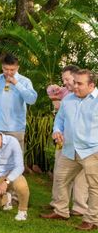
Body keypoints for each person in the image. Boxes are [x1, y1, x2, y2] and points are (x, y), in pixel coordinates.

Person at [42, 69, 98, 231]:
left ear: (91, 85)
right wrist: (57, 131)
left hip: (91, 152)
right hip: (69, 149)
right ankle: (61, 211)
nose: (75, 86)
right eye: (74, 82)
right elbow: (59, 120)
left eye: (79, 83)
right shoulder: (68, 100)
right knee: (60, 179)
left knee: (94, 187)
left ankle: (92, 220)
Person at [45, 65, 87, 216]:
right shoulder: (66, 95)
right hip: (65, 142)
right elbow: (59, 117)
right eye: (64, 80)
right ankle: (59, 205)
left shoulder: (90, 97)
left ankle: (80, 207)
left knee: (82, 178)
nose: (66, 83)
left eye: (68, 79)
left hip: (86, 147)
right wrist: (57, 130)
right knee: (61, 173)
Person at [0, 54, 37, 155]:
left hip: (16, 129)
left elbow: (32, 100)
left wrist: (16, 84)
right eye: (6, 69)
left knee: (16, 162)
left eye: (12, 70)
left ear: (17, 68)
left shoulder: (25, 81)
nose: (9, 73)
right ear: (2, 67)